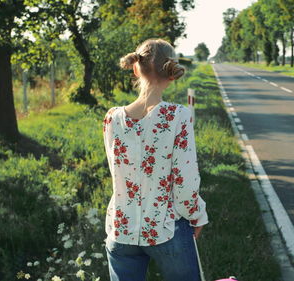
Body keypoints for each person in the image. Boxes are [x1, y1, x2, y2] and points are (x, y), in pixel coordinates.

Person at [101, 38, 209, 281]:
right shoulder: (178, 116)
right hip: (165, 228)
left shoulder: (112, 118)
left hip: (121, 229)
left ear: (136, 68)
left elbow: (117, 173)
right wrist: (197, 214)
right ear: (171, 72)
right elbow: (185, 180)